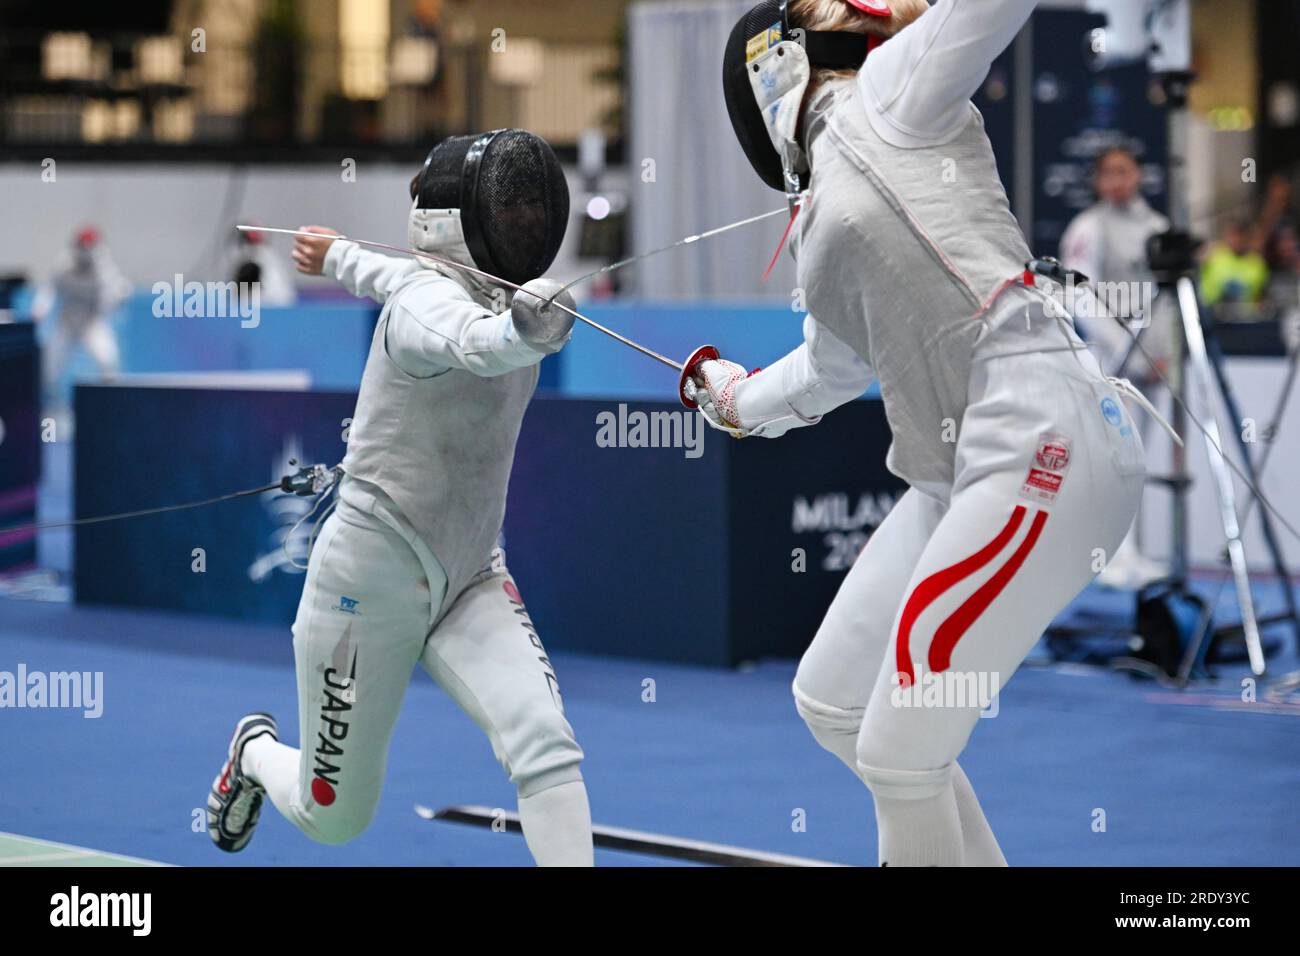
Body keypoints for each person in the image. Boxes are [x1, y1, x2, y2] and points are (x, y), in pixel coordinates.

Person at [698, 0, 1150, 866]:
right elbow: (824, 373)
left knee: (901, 754)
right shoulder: (820, 226)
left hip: (1038, 445)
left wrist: (915, 8)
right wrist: (732, 399)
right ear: (775, 62)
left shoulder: (896, 91)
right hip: (958, 474)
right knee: (833, 703)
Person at [205, 129, 595, 866]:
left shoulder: (462, 287)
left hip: (470, 573)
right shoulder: (434, 307)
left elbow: (384, 272)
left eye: (525, 205)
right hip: (366, 584)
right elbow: (479, 343)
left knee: (545, 744)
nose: (523, 218)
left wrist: (333, 255)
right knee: (334, 816)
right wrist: (527, 330)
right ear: (461, 222)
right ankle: (255, 755)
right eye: (507, 206)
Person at [1059, 146, 1169, 588]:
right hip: (1109, 361)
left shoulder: (1157, 228)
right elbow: (1076, 294)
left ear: (1139, 174)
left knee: (1137, 461)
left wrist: (1161, 355)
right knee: (1109, 458)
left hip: (1151, 367)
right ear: (1098, 181)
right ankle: (1105, 554)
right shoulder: (1088, 227)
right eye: (1109, 172)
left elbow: (1168, 300)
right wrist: (1125, 348)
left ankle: (1132, 550)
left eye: (1126, 170)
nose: (1118, 180)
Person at [32, 226, 130, 409]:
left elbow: (112, 295)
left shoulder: (104, 269)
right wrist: (40, 308)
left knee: (107, 359)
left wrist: (118, 296)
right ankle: (44, 407)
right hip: (66, 323)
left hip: (91, 324)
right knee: (47, 369)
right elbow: (49, 290)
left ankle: (110, 404)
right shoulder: (63, 265)